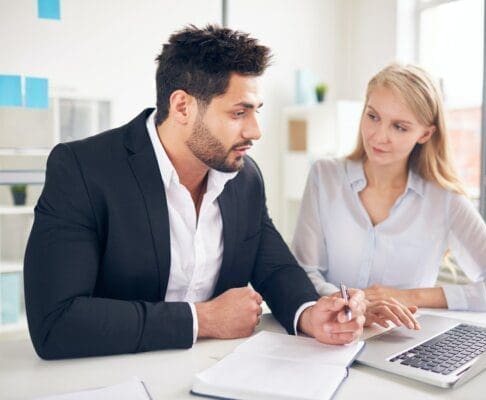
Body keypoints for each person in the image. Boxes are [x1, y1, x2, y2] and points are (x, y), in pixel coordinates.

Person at [24, 24, 365, 360]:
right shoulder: (83, 169)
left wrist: (310, 314)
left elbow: (274, 268)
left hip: (213, 372)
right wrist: (203, 319)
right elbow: (57, 323)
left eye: (255, 111)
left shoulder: (244, 178)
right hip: (113, 377)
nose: (256, 130)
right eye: (238, 112)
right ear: (183, 107)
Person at [292, 63, 486, 330]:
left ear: (425, 134)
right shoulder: (325, 176)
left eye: (400, 127)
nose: (379, 136)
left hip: (400, 341)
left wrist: (408, 296)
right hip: (328, 335)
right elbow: (303, 272)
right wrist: (355, 306)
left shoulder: (444, 200)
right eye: (373, 116)